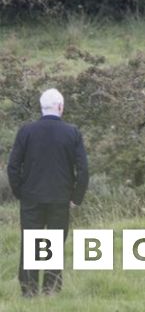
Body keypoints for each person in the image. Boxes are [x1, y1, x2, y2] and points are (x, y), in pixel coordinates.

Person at [6, 88, 89, 297]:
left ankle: (29, 291)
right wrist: (76, 197)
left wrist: (20, 192)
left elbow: (13, 166)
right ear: (60, 107)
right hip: (61, 198)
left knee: (30, 243)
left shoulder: (26, 131)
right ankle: (50, 290)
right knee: (54, 243)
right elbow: (83, 169)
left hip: (31, 197)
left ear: (41, 108)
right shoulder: (72, 132)